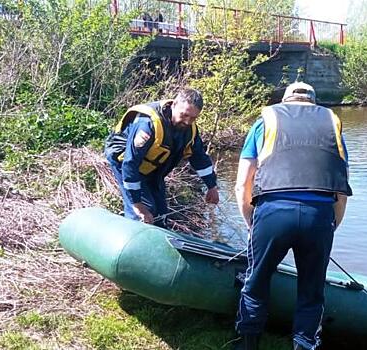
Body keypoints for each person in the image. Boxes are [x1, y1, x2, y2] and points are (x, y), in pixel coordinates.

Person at [234, 82, 352, 350]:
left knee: (256, 279)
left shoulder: (266, 120)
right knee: (312, 290)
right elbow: (341, 187)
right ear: (314, 101)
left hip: (273, 210)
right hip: (318, 215)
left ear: (285, 100)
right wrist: (332, 224)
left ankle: (248, 343)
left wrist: (251, 220)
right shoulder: (333, 125)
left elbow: (243, 182)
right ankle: (304, 344)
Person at [105, 88, 219, 225]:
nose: (188, 122)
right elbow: (130, 164)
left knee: (160, 214)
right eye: (184, 115)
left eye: (193, 118)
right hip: (124, 160)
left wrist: (212, 186)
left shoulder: (189, 130)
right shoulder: (147, 124)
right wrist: (137, 204)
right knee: (144, 211)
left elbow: (199, 158)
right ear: (174, 105)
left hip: (152, 168)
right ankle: (131, 233)